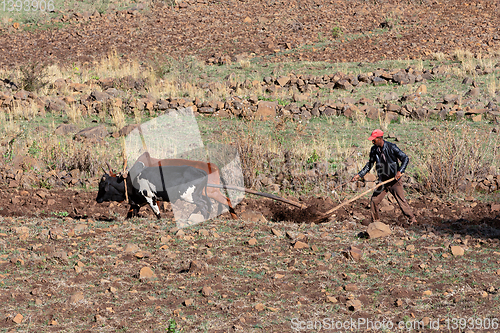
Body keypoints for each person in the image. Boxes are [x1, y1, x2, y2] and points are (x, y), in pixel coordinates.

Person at [351, 129, 417, 225]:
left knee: (401, 201)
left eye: (374, 139)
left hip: (394, 179)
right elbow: (370, 164)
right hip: (383, 180)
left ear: (380, 138)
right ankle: (375, 222)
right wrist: (359, 175)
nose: (372, 141)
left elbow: (405, 158)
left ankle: (412, 220)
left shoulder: (391, 147)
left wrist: (400, 171)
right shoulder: (374, 150)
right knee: (374, 200)